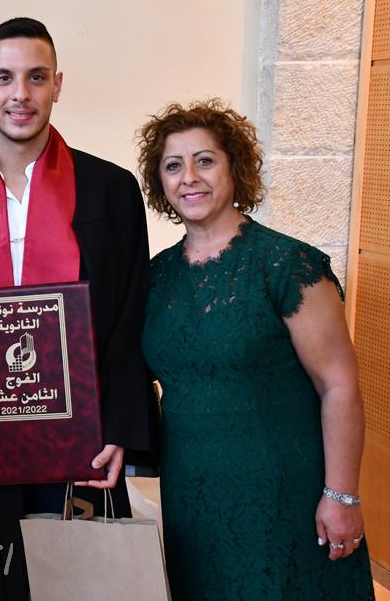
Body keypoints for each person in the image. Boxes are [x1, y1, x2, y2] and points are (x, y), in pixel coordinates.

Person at [0, 17, 157, 600]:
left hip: (80, 439)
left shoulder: (110, 189)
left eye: (36, 77)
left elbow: (129, 314)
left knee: (78, 583)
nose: (20, 94)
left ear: (57, 85)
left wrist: (119, 425)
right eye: (5, 78)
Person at [136, 99, 374, 600]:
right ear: (161, 182)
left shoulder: (287, 264)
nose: (189, 177)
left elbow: (338, 384)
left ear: (234, 167)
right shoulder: (156, 277)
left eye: (205, 160)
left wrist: (342, 494)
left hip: (284, 493)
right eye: (173, 166)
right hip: (193, 499)